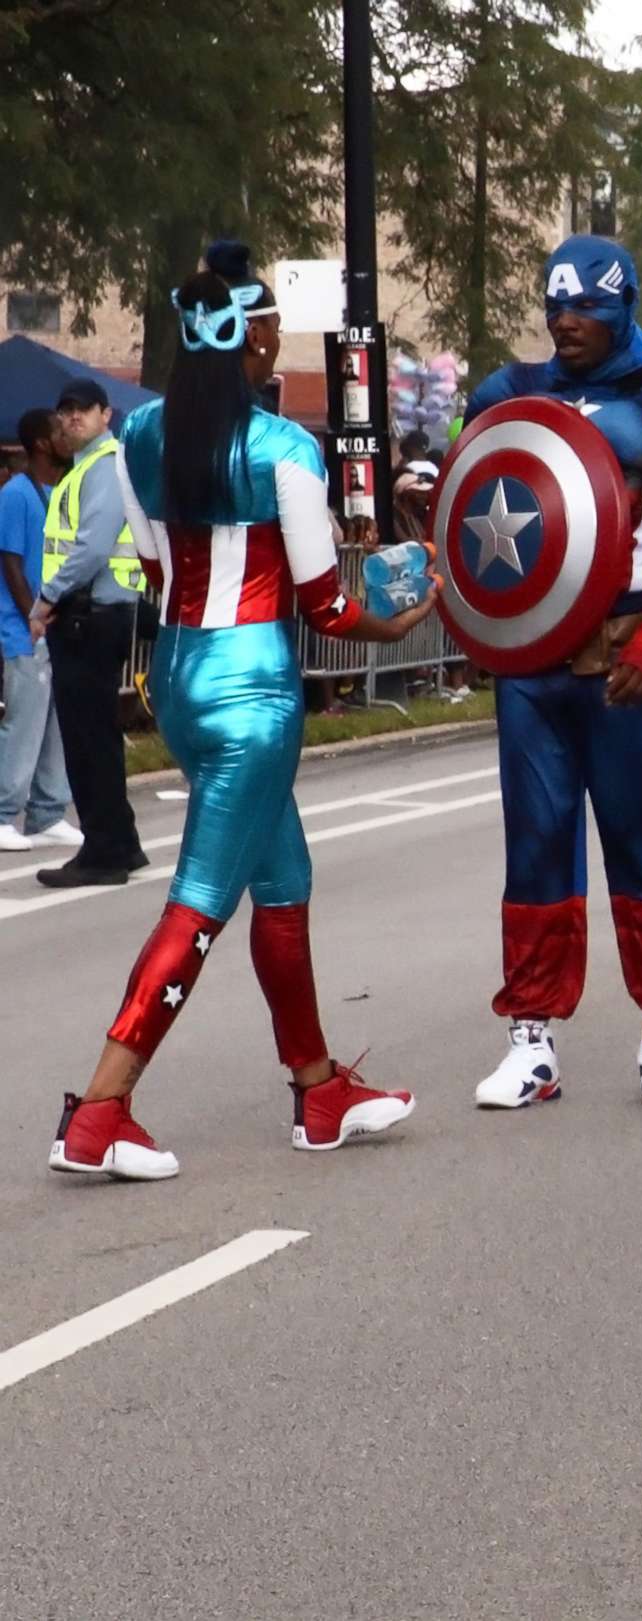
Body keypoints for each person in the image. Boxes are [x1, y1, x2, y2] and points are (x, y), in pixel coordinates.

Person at [49, 252, 435, 1181]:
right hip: (254, 688)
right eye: (272, 327)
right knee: (202, 900)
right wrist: (404, 620)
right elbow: (328, 608)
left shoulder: (137, 435)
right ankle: (99, 1108)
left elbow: (148, 566)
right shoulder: (284, 450)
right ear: (257, 336)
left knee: (284, 878)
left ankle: (317, 1089)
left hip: (177, 674)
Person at [459, 235, 642, 1112]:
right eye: (555, 305)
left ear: (625, 307)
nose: (565, 321)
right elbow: (475, 511)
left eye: (586, 307)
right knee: (534, 841)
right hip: (534, 662)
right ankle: (531, 1038)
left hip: (625, 653)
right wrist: (477, 618)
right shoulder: (511, 394)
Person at [30, 377, 150, 887]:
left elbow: (92, 546)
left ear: (107, 414)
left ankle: (102, 852)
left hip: (87, 615)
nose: (72, 417)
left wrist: (46, 599)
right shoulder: (85, 469)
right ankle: (120, 842)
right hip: (92, 614)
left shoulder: (102, 467)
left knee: (87, 738)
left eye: (83, 409)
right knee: (97, 734)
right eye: (66, 411)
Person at [0, 408, 79, 852]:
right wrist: (32, 614)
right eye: (58, 430)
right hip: (23, 628)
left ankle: (48, 811)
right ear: (42, 444)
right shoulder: (16, 494)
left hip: (51, 627)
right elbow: (10, 561)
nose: (67, 434)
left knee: (54, 724)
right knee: (25, 722)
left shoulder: (58, 491)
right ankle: (3, 811)